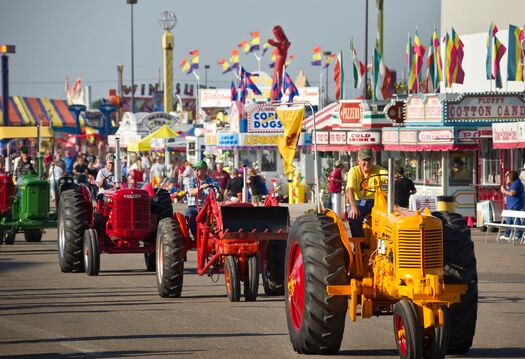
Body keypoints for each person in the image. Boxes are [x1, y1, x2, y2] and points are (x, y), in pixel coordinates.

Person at [345, 148, 387, 237]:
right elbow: (349, 189)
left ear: (373, 160)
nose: (367, 162)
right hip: (359, 202)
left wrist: (393, 177)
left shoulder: (378, 170)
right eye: (364, 160)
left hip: (375, 202)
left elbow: (387, 175)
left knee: (389, 216)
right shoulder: (354, 171)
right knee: (354, 216)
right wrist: (353, 207)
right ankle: (360, 245)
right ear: (358, 161)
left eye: (369, 160)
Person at [185, 160, 220, 239]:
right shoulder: (191, 181)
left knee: (220, 215)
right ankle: (196, 235)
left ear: (205, 170)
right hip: (195, 207)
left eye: (198, 169)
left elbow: (219, 195)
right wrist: (201, 187)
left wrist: (218, 195)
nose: (196, 171)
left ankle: (218, 235)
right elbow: (191, 192)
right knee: (189, 214)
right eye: (195, 169)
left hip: (210, 207)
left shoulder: (213, 181)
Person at [500, 170, 524, 241]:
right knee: (509, 221)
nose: (507, 179)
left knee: (516, 220)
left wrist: (504, 191)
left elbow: (512, 193)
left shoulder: (516, 183)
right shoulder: (514, 183)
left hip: (515, 205)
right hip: (511, 205)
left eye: (508, 177)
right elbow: (510, 191)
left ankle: (518, 235)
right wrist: (506, 186)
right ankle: (507, 234)